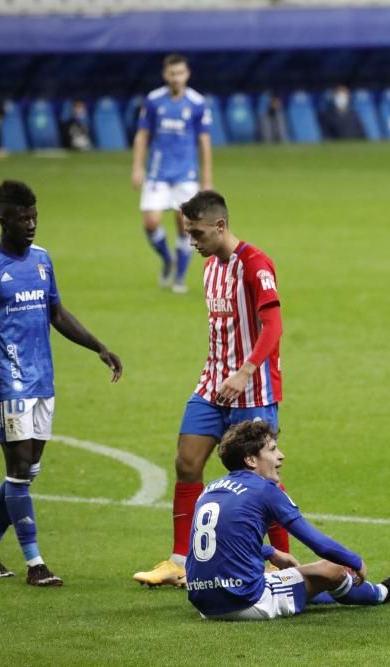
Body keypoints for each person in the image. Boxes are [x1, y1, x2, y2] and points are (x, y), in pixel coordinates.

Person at [133, 190, 288, 587]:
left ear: (220, 226)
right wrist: (224, 375)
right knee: (186, 463)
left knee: (263, 480)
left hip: (251, 389)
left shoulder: (255, 265)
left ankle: (279, 566)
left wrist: (244, 372)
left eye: (198, 234)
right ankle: (179, 561)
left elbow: (273, 327)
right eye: (188, 234)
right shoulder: (209, 268)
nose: (192, 242)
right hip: (212, 384)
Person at [0, 180, 123, 585]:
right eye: (22, 218)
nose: (30, 225)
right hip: (7, 381)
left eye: (34, 217)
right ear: (3, 219)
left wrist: (98, 346)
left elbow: (57, 313)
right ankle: (35, 563)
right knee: (17, 468)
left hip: (43, 380)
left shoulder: (43, 260)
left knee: (28, 471)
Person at [185, 420, 390, 620]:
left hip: (202, 601)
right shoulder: (265, 489)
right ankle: (381, 593)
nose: (281, 455)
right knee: (332, 569)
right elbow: (318, 543)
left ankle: (314, 591)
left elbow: (222, 539)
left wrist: (270, 552)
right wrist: (355, 561)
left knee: (269, 573)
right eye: (272, 450)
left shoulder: (211, 489)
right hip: (245, 602)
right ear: (251, 460)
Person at [131, 53, 213, 293]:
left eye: (180, 73)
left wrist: (207, 179)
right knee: (151, 222)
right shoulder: (154, 101)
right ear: (165, 75)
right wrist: (137, 167)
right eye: (172, 73)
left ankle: (179, 277)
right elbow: (142, 135)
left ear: (187, 74)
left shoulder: (197, 103)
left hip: (185, 175)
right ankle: (167, 259)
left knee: (185, 225)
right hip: (157, 172)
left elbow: (204, 141)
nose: (176, 78)